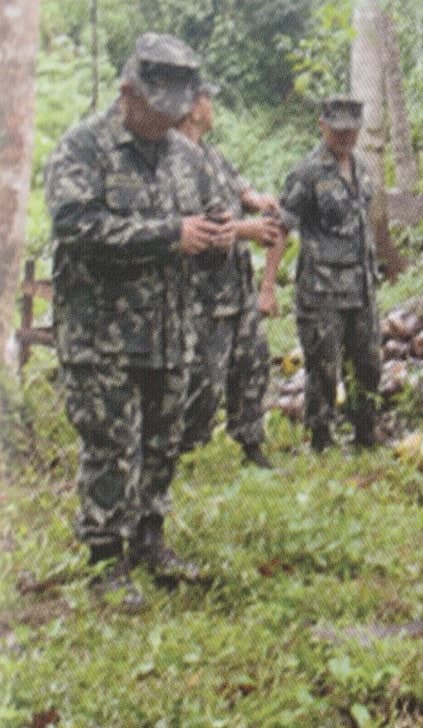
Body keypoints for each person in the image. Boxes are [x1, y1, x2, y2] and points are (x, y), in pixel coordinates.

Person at [44, 33, 234, 609]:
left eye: (177, 113)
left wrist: (219, 234)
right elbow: (76, 224)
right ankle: (106, 558)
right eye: (159, 112)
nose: (167, 124)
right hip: (101, 334)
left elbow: (209, 215)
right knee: (110, 444)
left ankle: (149, 538)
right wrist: (168, 234)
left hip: (170, 330)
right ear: (128, 93)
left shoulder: (185, 156)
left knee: (163, 439)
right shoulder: (84, 148)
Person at [177, 81, 285, 468]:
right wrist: (247, 230)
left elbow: (238, 188)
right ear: (192, 108)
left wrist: (255, 199)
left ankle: (251, 443)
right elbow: (195, 226)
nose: (212, 106)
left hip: (236, 286)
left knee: (253, 362)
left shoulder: (211, 155)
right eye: (208, 99)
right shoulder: (176, 160)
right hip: (203, 293)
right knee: (204, 377)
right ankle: (177, 448)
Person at [278, 96, 381, 452]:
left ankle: (365, 435)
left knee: (368, 364)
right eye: (338, 130)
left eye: (352, 131)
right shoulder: (307, 172)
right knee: (323, 369)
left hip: (362, 288)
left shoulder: (363, 167)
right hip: (322, 292)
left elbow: (366, 223)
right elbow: (282, 227)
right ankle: (321, 440)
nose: (346, 137)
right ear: (322, 126)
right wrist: (266, 286)